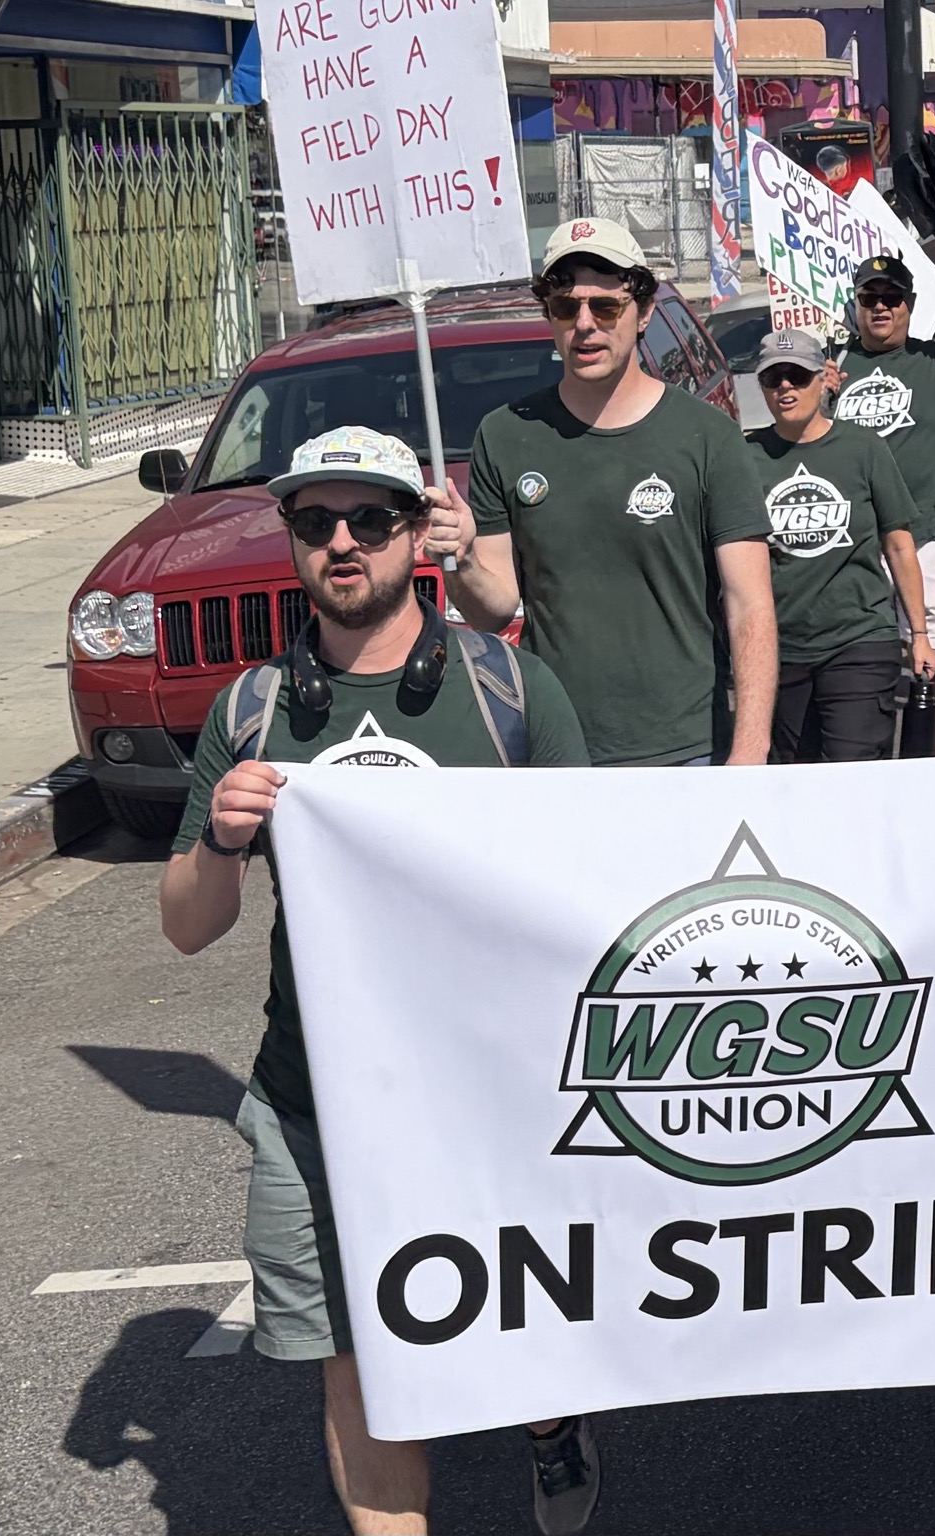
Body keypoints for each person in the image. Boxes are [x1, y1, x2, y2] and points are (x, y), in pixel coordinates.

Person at [158, 429, 597, 1536]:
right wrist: (218, 839)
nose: (341, 543)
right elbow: (185, 928)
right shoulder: (252, 710)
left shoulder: (509, 692)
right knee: (352, 1365)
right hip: (316, 1104)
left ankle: (549, 1426)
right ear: (293, 542)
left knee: (520, 1333)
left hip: (492, 1097)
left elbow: (594, 890)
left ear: (419, 531)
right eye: (314, 523)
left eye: (370, 520)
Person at [429, 217, 776, 767]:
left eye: (605, 307)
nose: (584, 325)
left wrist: (750, 751)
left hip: (687, 751)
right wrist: (462, 560)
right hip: (555, 747)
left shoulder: (707, 435)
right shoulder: (504, 435)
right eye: (565, 308)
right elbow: (492, 612)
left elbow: (749, 603)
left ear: (642, 313)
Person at [832, 224, 935, 747]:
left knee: (931, 661)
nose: (881, 307)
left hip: (923, 535)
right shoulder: (831, 365)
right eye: (870, 298)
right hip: (852, 545)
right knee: (858, 661)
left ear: (909, 306)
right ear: (856, 305)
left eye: (892, 298)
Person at [743, 329, 935, 761]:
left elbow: (899, 544)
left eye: (796, 375)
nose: (786, 387)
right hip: (780, 649)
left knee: (852, 774)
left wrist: (919, 634)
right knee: (794, 780)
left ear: (821, 378)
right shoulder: (746, 456)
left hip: (859, 639)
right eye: (774, 379)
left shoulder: (862, 448)